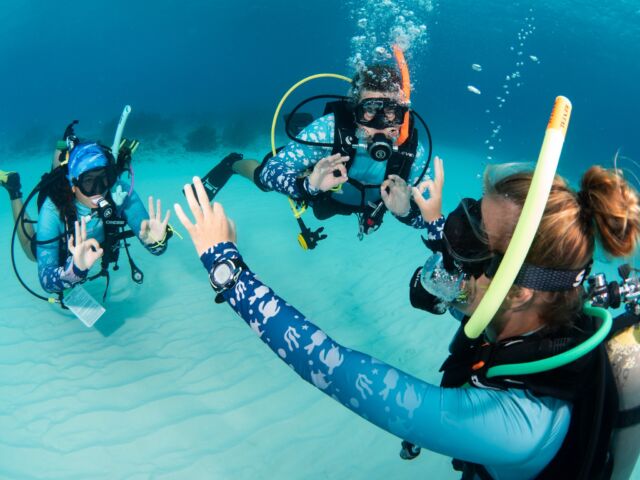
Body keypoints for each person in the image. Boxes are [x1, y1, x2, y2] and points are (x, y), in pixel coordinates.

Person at [174, 156, 640, 478]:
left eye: (473, 239)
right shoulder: (544, 314)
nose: (453, 245)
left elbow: (333, 367)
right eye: (469, 217)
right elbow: (475, 262)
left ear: (517, 292)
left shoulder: (517, 426)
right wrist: (425, 220)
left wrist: (228, 270)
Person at [199, 63, 433, 240]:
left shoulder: (413, 152)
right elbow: (271, 172)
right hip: (324, 195)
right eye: (370, 110)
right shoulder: (329, 129)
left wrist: (405, 213)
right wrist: (307, 185)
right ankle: (233, 164)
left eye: (391, 112)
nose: (381, 123)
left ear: (404, 114)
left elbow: (430, 221)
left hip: (366, 206)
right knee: (261, 178)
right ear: (354, 111)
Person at [35, 141, 171, 294]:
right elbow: (46, 281)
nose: (98, 190)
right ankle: (14, 190)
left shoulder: (119, 193)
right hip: (63, 244)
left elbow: (158, 250)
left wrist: (156, 242)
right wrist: (74, 271)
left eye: (103, 178)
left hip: (99, 242)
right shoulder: (52, 208)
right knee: (30, 250)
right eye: (88, 182)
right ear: (73, 184)